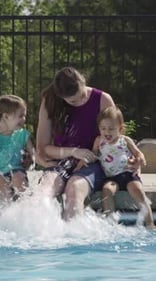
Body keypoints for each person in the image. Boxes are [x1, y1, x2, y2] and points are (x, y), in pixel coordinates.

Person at [35, 66, 117, 219]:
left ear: (83, 81)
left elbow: (115, 141)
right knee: (44, 190)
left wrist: (89, 155)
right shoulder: (50, 101)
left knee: (74, 188)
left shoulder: (102, 99)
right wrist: (73, 152)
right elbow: (43, 149)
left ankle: (72, 239)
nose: (79, 102)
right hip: (62, 161)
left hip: (94, 162)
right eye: (72, 101)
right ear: (61, 97)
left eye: (82, 96)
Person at [91, 106, 156, 229]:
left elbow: (139, 154)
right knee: (106, 190)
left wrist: (140, 159)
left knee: (137, 189)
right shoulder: (98, 141)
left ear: (120, 129)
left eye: (111, 129)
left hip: (128, 174)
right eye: (103, 128)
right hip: (110, 177)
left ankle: (149, 222)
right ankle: (110, 223)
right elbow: (93, 155)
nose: (107, 132)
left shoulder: (125, 140)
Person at [0, 95, 34, 202]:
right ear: (5, 116)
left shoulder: (23, 135)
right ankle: (6, 215)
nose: (23, 119)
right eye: (20, 115)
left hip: (17, 169)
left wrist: (30, 159)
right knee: (4, 190)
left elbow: (34, 154)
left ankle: (25, 209)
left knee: (19, 180)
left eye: (24, 116)